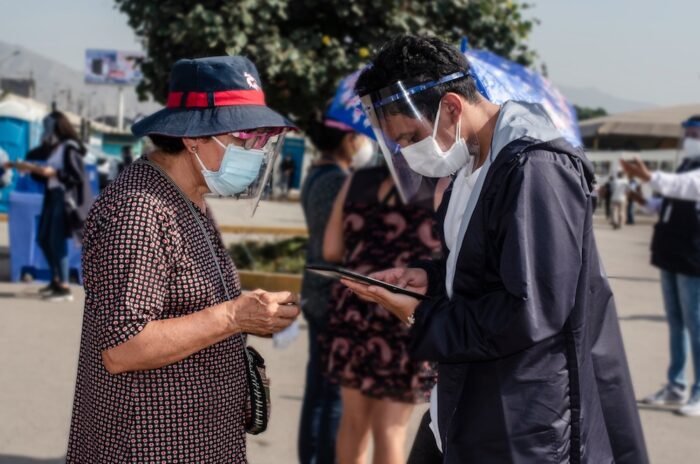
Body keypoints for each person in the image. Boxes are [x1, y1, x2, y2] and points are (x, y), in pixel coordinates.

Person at [342, 35, 648, 463]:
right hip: (470, 399)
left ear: (451, 106)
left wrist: (418, 314)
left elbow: (530, 309)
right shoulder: (472, 164)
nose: (409, 153)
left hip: (521, 423)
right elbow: (485, 265)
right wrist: (429, 278)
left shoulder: (535, 168)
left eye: (411, 137)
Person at [65, 56, 300, 463]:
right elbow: (123, 347)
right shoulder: (139, 209)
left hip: (196, 440)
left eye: (262, 140)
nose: (255, 152)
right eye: (246, 137)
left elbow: (187, 303)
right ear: (194, 138)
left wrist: (249, 313)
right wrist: (232, 317)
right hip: (147, 445)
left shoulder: (185, 198)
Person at [322, 153, 440, 464]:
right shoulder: (440, 187)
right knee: (391, 429)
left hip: (354, 312)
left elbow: (331, 249)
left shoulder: (357, 180)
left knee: (352, 423)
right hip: (404, 318)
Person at [297, 114, 371, 464]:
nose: (360, 143)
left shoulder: (318, 174)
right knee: (330, 398)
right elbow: (338, 247)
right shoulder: (336, 181)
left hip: (318, 293)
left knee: (319, 391)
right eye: (356, 136)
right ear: (345, 141)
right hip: (332, 299)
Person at [635, 115, 700, 417]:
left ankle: (698, 391)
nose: (688, 138)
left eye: (694, 134)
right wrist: (645, 201)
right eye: (686, 133)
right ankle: (676, 384)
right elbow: (671, 204)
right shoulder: (687, 164)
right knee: (676, 322)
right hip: (671, 252)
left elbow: (686, 188)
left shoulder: (692, 174)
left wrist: (651, 177)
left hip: (693, 258)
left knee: (695, 326)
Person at [6, 111, 93, 301]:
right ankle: (55, 280)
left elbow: (76, 176)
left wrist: (52, 172)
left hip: (63, 199)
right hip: (51, 197)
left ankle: (63, 287)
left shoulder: (69, 148)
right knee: (44, 239)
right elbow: (46, 175)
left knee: (56, 241)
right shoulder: (55, 148)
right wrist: (34, 171)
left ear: (57, 127)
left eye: (48, 126)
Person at [620, 116, 700, 202]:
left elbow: (684, 185)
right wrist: (643, 201)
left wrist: (649, 177)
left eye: (694, 135)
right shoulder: (686, 164)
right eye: (686, 135)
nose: (688, 140)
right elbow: (673, 202)